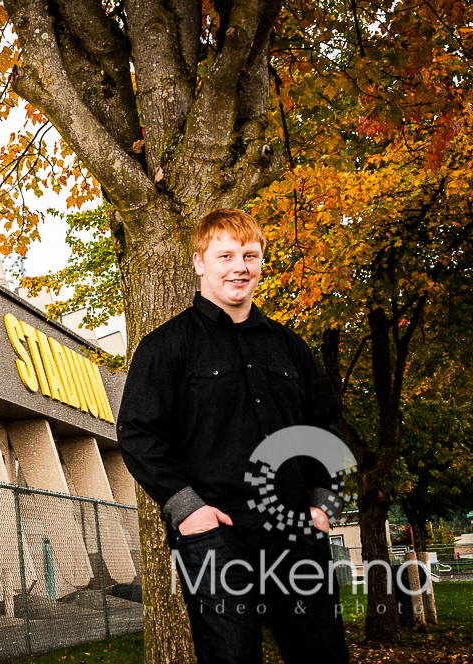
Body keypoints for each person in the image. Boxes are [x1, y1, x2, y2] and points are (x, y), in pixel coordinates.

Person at [116, 209, 350, 664]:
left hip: (296, 534)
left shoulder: (291, 347)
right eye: (225, 256)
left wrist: (324, 503)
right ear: (199, 262)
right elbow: (138, 433)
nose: (239, 267)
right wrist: (187, 509)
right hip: (215, 538)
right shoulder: (165, 346)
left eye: (249, 255)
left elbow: (325, 427)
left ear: (260, 262)